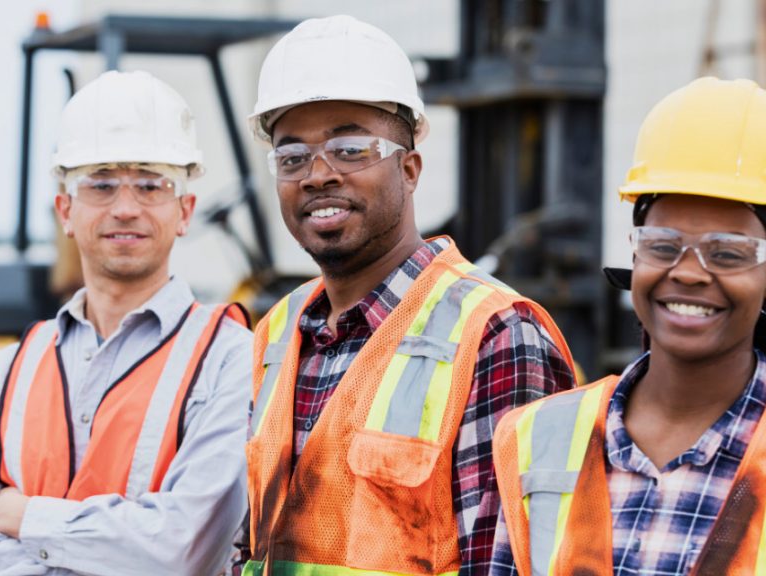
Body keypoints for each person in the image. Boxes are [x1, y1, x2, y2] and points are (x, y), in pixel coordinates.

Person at [491, 77, 766, 575]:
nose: (687, 271)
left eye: (727, 252)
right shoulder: (535, 438)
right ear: (635, 250)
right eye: (663, 245)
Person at [237, 14, 577, 576]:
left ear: (411, 168)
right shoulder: (276, 331)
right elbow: (250, 545)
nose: (318, 174)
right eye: (293, 156)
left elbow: (508, 562)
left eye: (350, 149)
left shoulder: (495, 335)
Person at [0, 70, 252, 575]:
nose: (125, 208)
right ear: (66, 211)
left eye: (150, 185)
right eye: (100, 185)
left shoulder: (234, 361)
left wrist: (26, 517)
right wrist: (119, 550)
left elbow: (182, 552)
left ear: (184, 210)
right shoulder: (2, 376)